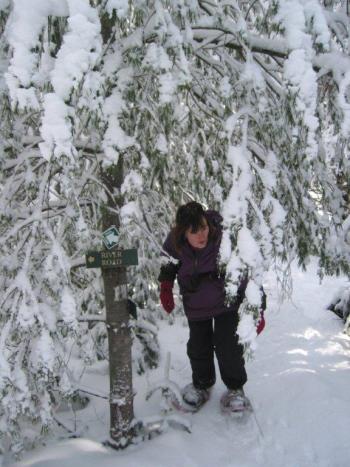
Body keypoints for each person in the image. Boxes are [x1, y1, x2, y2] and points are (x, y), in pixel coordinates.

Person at [158, 201, 266, 412]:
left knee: (228, 346)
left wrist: (257, 310)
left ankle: (235, 389)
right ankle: (202, 385)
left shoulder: (222, 237)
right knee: (198, 347)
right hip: (195, 304)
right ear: (183, 232)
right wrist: (165, 286)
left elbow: (247, 274)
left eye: (204, 227)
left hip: (226, 303)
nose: (202, 235)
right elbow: (168, 263)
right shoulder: (175, 241)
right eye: (194, 231)